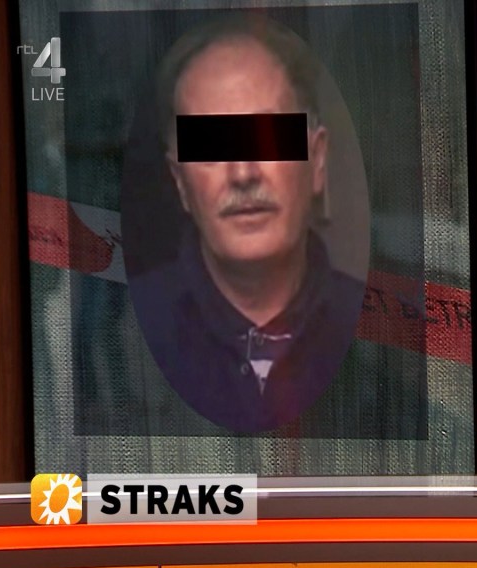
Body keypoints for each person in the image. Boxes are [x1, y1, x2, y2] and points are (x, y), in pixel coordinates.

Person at [128, 15, 366, 433]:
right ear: (180, 181)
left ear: (317, 161)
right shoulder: (116, 344)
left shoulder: (384, 335)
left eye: (268, 138)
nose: (243, 173)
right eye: (211, 144)